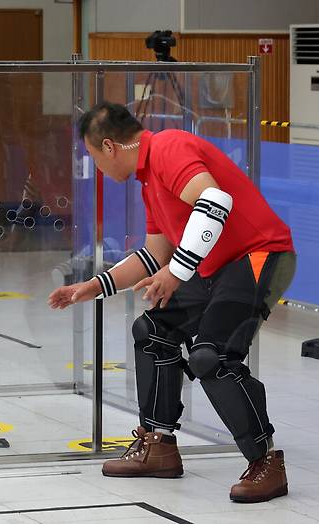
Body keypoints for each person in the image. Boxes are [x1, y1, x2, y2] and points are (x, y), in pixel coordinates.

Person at [48, 102, 296, 503]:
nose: (96, 168)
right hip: (215, 266)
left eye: (93, 157)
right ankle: (158, 445)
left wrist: (178, 272)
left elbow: (214, 201)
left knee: (210, 357)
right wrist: (94, 286)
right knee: (152, 331)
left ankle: (266, 461)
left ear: (109, 147)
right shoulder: (149, 181)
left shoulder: (168, 147)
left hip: (260, 256)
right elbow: (155, 256)